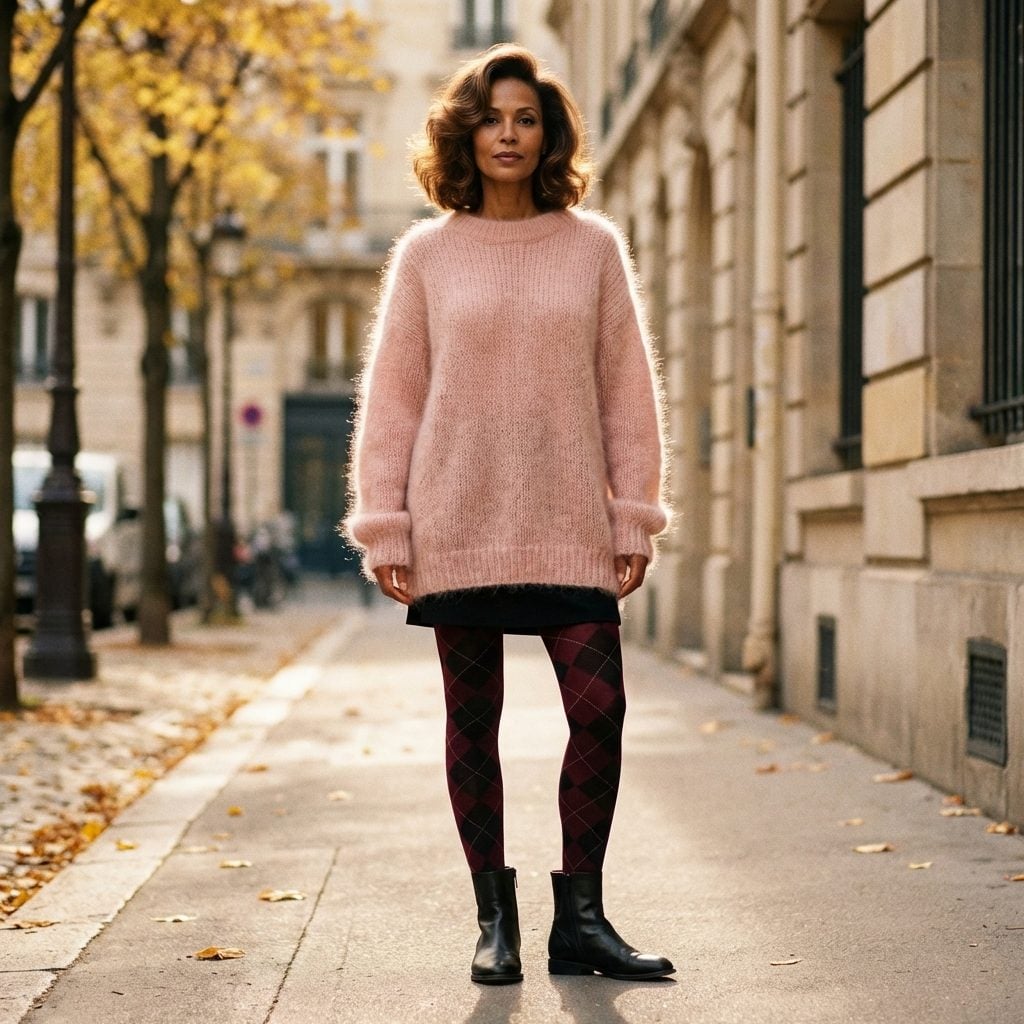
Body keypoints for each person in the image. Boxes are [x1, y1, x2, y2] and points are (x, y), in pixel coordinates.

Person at [343, 43, 674, 985]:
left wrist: (633, 516)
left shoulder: (594, 247)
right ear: (465, 131)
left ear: (548, 133)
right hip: (460, 521)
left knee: (600, 708)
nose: (510, 134)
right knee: (471, 721)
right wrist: (387, 523)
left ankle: (584, 916)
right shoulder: (427, 255)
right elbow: (396, 396)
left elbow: (626, 393)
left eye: (527, 118)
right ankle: (496, 921)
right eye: (492, 118)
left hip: (570, 520)